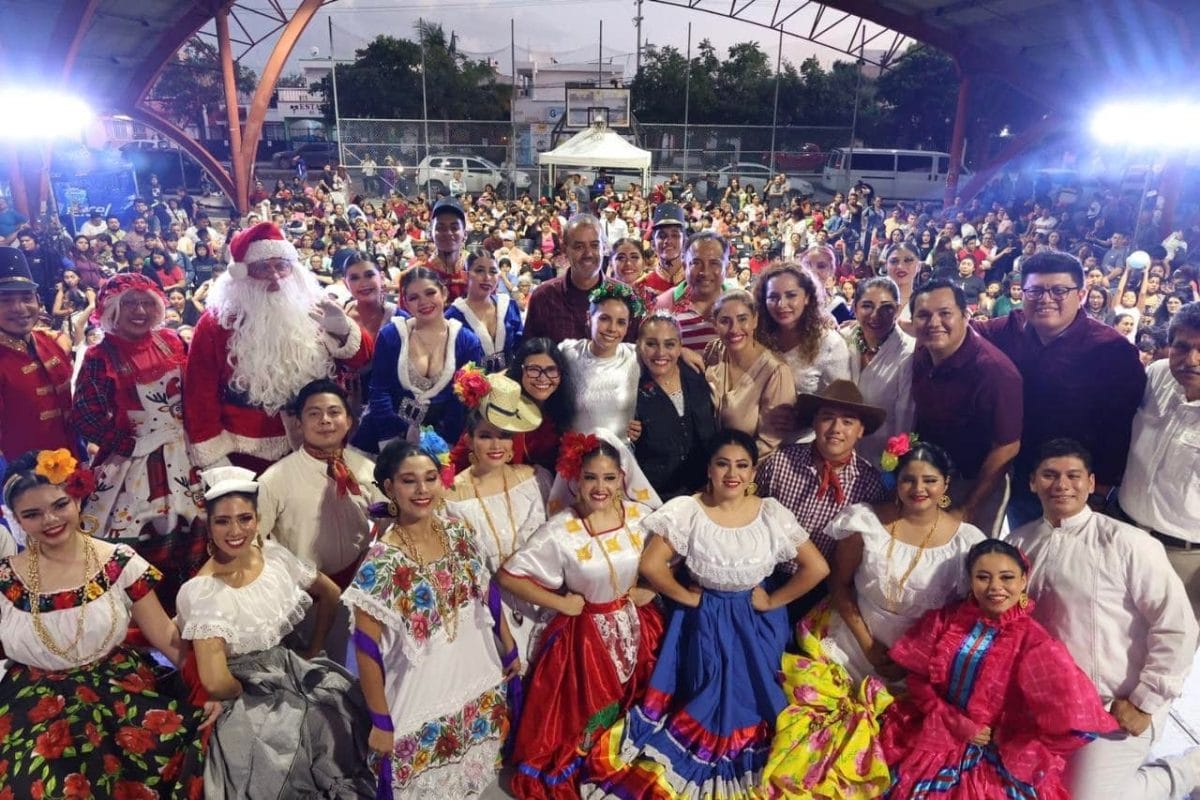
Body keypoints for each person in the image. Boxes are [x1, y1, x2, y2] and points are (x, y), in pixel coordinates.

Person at [584, 431, 830, 798]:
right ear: (710, 469)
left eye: (742, 465)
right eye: (723, 464)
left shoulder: (771, 513)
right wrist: (688, 597)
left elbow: (817, 568)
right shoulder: (688, 510)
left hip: (757, 626)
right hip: (705, 622)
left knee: (757, 704)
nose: (733, 473)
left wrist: (773, 601)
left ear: (752, 472)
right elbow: (652, 565)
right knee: (704, 693)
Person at [762, 441, 986, 798]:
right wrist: (867, 645)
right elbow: (839, 583)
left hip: (916, 667)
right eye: (909, 480)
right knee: (813, 754)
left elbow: (960, 617)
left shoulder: (967, 542)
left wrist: (912, 661)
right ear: (896, 484)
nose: (919, 489)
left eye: (930, 480)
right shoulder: (866, 521)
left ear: (946, 485)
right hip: (848, 643)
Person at [0, 449, 215, 797]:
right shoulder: (5, 578)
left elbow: (163, 634)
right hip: (32, 698)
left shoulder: (119, 560)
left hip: (116, 690)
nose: (51, 520)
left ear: (78, 500)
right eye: (33, 514)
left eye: (60, 505)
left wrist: (206, 686)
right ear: (18, 521)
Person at [1008, 439, 1200, 800]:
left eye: (1073, 476)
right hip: (1044, 706)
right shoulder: (1019, 543)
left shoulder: (1128, 543)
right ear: (1032, 482)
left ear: (1091, 483)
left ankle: (1188, 770)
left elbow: (1177, 626)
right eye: (1049, 475)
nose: (1061, 485)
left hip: (1115, 706)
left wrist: (1145, 701)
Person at [177, 466, 376, 798]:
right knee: (278, 758)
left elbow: (329, 593)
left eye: (244, 518)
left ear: (257, 518)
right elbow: (215, 680)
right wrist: (258, 687)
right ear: (208, 526)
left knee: (339, 714)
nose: (235, 530)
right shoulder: (203, 591)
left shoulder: (272, 554)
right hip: (243, 689)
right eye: (222, 521)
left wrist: (312, 651)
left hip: (291, 663)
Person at [881, 539, 1118, 798]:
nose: (995, 587)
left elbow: (1071, 717)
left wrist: (1010, 736)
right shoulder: (946, 620)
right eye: (983, 577)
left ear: (1023, 581)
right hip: (934, 734)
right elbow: (917, 678)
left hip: (992, 758)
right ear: (970, 581)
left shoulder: (1035, 642)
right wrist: (954, 721)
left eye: (1007, 578)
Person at [345, 439, 515, 797]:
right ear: (390, 487)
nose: (422, 490)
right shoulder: (381, 563)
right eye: (409, 481)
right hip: (418, 699)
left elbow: (487, 590)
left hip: (474, 675)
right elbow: (365, 648)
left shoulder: (457, 532)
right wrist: (380, 720)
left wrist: (510, 648)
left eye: (430, 478)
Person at [499, 432, 664, 799]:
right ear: (576, 479)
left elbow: (673, 554)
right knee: (586, 718)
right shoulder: (561, 530)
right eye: (591, 477)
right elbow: (508, 575)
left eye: (609, 477)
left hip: (639, 628)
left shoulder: (642, 517)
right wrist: (561, 604)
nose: (600, 487)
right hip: (584, 639)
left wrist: (652, 588)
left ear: (623, 478)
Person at [974, 252, 1146, 528]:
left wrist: (1100, 490)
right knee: (1026, 555)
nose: (1046, 299)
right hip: (1023, 477)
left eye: (1059, 290)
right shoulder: (1010, 329)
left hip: (1078, 488)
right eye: (1035, 290)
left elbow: (1121, 427)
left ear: (1081, 294)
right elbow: (957, 331)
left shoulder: (1112, 350)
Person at [184, 221, 373, 471]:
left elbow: (362, 360)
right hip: (245, 450)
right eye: (263, 267)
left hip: (317, 441)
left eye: (281, 266)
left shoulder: (314, 307)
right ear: (243, 273)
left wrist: (343, 330)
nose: (274, 276)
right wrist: (212, 456)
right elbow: (199, 393)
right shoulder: (217, 322)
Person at [71, 274, 205, 613]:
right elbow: (85, 415)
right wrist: (127, 443)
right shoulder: (99, 356)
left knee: (193, 530)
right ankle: (141, 622)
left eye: (146, 302)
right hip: (131, 460)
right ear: (112, 308)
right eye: (129, 303)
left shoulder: (173, 341)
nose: (139, 311)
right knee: (130, 540)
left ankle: (188, 613)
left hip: (182, 452)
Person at [445, 372, 551, 665]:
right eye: (485, 435)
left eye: (504, 436)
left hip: (548, 604)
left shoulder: (537, 479)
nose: (496, 445)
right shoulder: (451, 497)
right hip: (488, 618)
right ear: (469, 440)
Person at [911, 278, 1022, 536]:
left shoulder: (995, 372)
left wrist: (968, 507)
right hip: (931, 473)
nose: (934, 323)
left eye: (945, 313)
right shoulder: (923, 353)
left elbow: (1007, 446)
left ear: (966, 315)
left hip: (976, 480)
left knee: (964, 552)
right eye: (924, 315)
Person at [1118, 301, 1200, 615]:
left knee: (1168, 651)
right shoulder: (1157, 375)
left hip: (1185, 559)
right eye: (1182, 347)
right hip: (1124, 533)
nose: (1191, 360)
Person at [353, 267, 485, 453]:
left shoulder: (467, 341)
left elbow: (462, 402)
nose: (423, 302)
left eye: (430, 293)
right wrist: (391, 440)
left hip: (440, 439)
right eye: (414, 298)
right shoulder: (391, 336)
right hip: (383, 434)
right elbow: (379, 391)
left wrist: (444, 443)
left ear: (444, 293)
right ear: (405, 303)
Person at [756, 380, 890, 562]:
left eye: (847, 422)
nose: (836, 429)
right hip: (768, 566)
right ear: (814, 422)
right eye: (827, 418)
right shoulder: (780, 462)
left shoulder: (869, 484)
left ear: (861, 430)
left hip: (825, 582)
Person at [0, 247, 79, 465]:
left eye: (26, 297)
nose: (19, 308)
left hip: (70, 461)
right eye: (5, 300)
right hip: (23, 480)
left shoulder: (49, 342)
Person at [629, 312, 717, 500]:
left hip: (705, 491)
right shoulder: (630, 390)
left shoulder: (697, 375)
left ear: (680, 347)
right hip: (657, 496)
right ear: (638, 346)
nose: (661, 353)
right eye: (651, 344)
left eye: (669, 344)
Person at [706, 289, 797, 458]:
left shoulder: (775, 372)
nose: (734, 329)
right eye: (725, 321)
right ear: (715, 324)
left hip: (749, 471)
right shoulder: (714, 351)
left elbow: (769, 443)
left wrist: (732, 465)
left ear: (755, 320)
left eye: (742, 319)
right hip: (709, 465)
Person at [558, 281, 645, 445]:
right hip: (576, 459)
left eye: (621, 322)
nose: (612, 328)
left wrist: (684, 352)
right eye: (604, 318)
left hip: (621, 459)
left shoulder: (637, 356)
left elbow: (665, 354)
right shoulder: (568, 353)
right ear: (589, 318)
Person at [843, 276, 915, 464]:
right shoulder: (842, 340)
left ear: (898, 310)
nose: (875, 315)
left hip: (880, 461)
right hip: (837, 454)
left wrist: (895, 465)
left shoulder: (908, 352)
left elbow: (905, 418)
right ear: (855, 307)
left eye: (886, 308)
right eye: (867, 306)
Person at [755, 262, 852, 402]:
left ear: (807, 297)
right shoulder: (757, 336)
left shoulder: (830, 344)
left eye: (791, 295)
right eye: (773, 297)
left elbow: (841, 404)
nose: (781, 304)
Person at [525, 214, 615, 342]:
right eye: (579, 247)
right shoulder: (543, 297)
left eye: (595, 245)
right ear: (565, 249)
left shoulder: (625, 296)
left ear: (603, 248)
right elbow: (529, 353)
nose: (588, 254)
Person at [502, 337, 577, 473]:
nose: (543, 378)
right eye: (533, 369)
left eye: (551, 370)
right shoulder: (501, 407)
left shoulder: (565, 410)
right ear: (521, 371)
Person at [446, 247, 523, 372]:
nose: (487, 277)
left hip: (509, 386)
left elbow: (522, 348)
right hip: (468, 389)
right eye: (479, 270)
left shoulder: (508, 307)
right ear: (465, 275)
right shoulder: (453, 317)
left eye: (493, 271)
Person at [656, 232, 732, 352]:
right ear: (685, 266)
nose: (705, 272)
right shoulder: (663, 305)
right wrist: (679, 353)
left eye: (714, 263)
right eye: (696, 263)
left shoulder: (741, 305)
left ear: (727, 268)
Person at [636, 203, 687, 296]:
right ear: (653, 245)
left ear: (684, 242)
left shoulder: (696, 284)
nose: (668, 241)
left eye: (675, 235)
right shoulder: (641, 288)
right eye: (662, 236)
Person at [426, 197, 470, 301]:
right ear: (430, 234)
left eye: (454, 228)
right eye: (440, 228)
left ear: (465, 234)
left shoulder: (477, 272)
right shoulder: (419, 274)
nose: (448, 233)